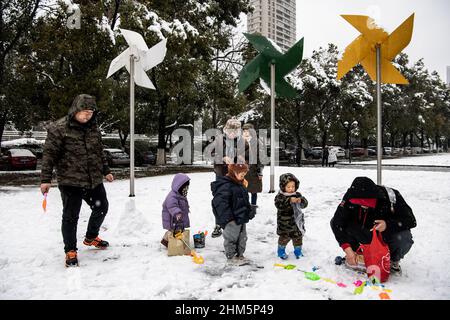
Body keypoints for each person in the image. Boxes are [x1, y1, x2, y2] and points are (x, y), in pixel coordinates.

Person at [40, 94, 114, 267]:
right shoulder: (59, 128)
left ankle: (91, 237)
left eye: (90, 112)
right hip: (70, 181)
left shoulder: (93, 128)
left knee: (101, 207)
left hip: (93, 179)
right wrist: (45, 179)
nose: (87, 116)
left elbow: (99, 151)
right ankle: (70, 250)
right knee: (71, 216)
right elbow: (49, 156)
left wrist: (106, 170)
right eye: (84, 112)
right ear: (75, 110)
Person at [330, 176, 416, 275]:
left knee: (404, 237)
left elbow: (411, 220)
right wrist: (347, 248)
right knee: (336, 223)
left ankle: (392, 261)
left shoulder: (391, 196)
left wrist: (387, 225)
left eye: (366, 203)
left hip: (385, 235)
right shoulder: (351, 195)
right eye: (359, 204)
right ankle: (358, 254)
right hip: (363, 233)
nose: (362, 206)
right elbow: (337, 222)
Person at [211, 163, 256, 265]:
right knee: (231, 238)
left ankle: (240, 255)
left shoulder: (241, 184)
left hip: (240, 217)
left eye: (244, 174)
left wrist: (249, 210)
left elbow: (244, 200)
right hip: (231, 218)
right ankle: (231, 256)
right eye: (240, 173)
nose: (242, 175)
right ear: (232, 172)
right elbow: (220, 204)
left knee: (242, 237)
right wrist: (228, 218)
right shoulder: (226, 185)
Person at [211, 118, 243, 238]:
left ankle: (233, 223)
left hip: (235, 175)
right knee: (220, 200)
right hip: (221, 174)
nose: (233, 133)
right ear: (226, 129)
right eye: (231, 131)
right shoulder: (219, 140)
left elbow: (246, 156)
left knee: (234, 199)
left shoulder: (241, 142)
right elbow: (212, 154)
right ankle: (218, 224)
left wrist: (239, 160)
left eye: (235, 131)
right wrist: (223, 157)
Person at [274, 173, 308, 259]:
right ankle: (281, 251)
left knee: (298, 238)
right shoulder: (280, 197)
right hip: (285, 224)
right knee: (284, 238)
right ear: (283, 187)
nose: (291, 189)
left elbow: (305, 204)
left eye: (293, 186)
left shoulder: (297, 194)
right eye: (288, 187)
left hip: (296, 223)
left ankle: (298, 251)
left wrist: (301, 201)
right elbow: (279, 205)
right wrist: (289, 200)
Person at [160, 173, 191, 248]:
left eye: (187, 187)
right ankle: (166, 241)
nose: (186, 189)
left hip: (179, 218)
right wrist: (177, 212)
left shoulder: (180, 194)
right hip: (173, 218)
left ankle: (177, 242)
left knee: (179, 230)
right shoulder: (172, 196)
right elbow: (172, 206)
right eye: (184, 187)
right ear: (179, 186)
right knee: (172, 230)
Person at [242, 123, 263, 207]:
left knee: (254, 189)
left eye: (247, 130)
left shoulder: (257, 142)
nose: (246, 132)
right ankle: (245, 205)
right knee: (243, 189)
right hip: (242, 170)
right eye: (244, 130)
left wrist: (260, 171)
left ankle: (253, 206)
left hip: (254, 169)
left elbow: (260, 157)